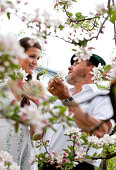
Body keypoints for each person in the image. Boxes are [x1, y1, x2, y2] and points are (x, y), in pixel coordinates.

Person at [40, 54, 113, 170]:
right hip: (48, 164)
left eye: (76, 63)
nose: (70, 67)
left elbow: (100, 131)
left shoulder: (103, 97)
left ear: (93, 69)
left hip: (79, 165)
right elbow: (39, 134)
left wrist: (67, 100)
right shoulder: (59, 100)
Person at [0, 37, 43, 169]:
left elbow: (36, 137)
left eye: (38, 58)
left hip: (22, 157)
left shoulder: (37, 87)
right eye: (31, 56)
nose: (35, 62)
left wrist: (39, 105)